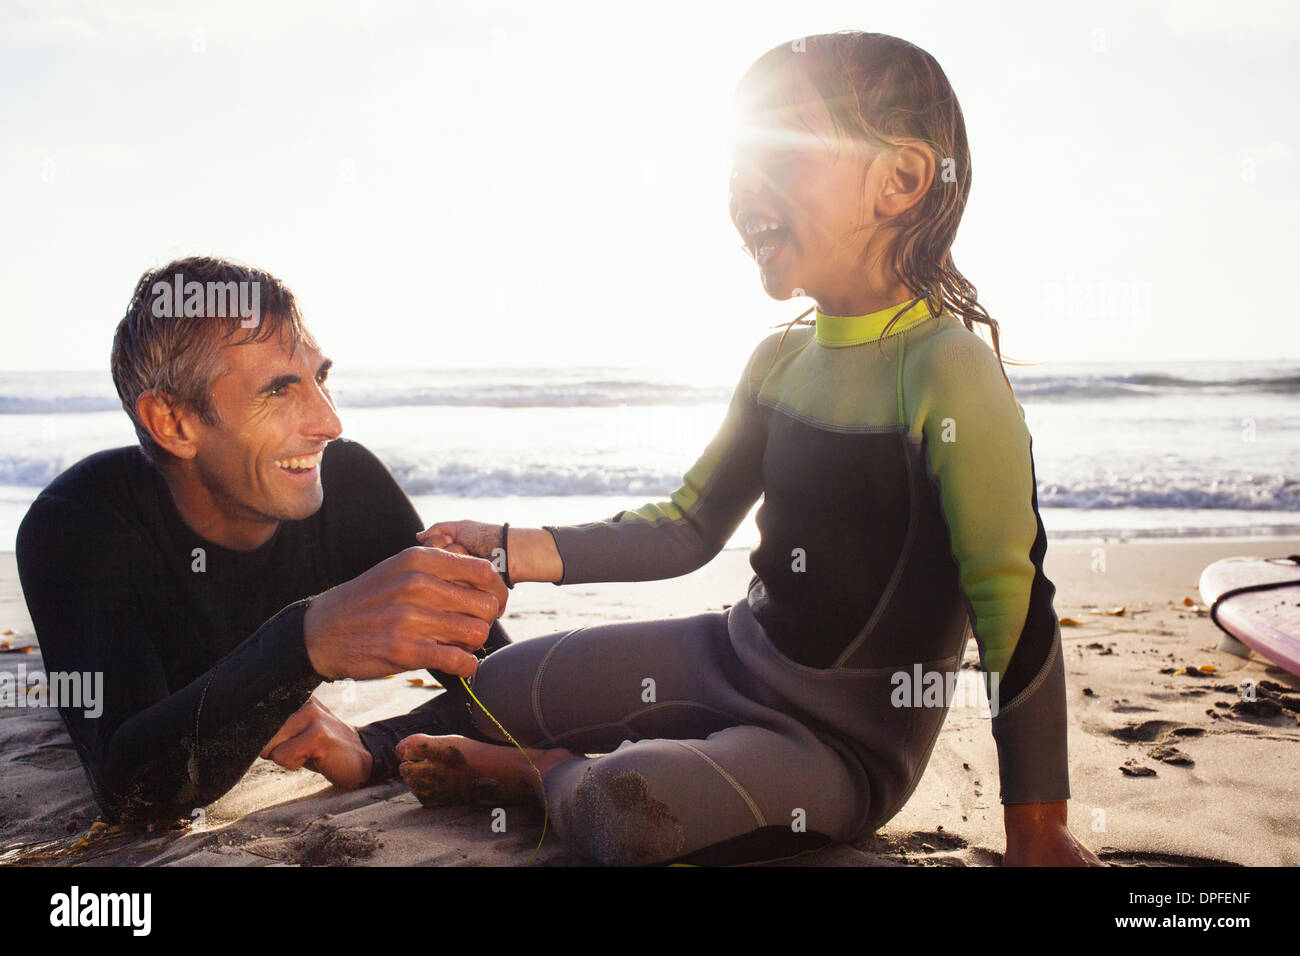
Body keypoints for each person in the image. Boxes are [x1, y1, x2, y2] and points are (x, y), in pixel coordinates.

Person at [392, 32, 1103, 866]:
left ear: (902, 180)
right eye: (736, 164)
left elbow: (1012, 605)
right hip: (729, 656)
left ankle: (543, 773)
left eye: (778, 156)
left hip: (839, 747)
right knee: (498, 688)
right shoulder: (778, 362)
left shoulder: (949, 373)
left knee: (625, 810)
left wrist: (1038, 828)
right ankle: (384, 749)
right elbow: (686, 527)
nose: (742, 189)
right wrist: (509, 548)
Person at [15, 256, 509, 825]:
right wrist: (306, 642)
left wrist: (372, 746)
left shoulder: (347, 486)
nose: (330, 422)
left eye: (319, 378)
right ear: (173, 423)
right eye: (278, 390)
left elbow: (510, 689)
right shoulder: (78, 524)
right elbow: (133, 794)